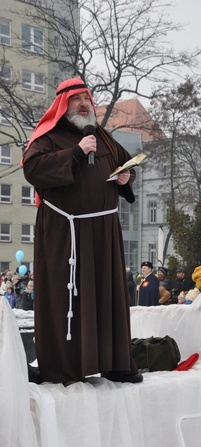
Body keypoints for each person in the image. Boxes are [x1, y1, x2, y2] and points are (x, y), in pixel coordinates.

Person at [22, 77, 142, 385]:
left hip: (103, 232)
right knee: (68, 300)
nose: (84, 103)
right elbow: (33, 169)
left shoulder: (101, 135)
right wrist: (75, 153)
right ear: (63, 105)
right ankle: (66, 367)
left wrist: (125, 179)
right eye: (77, 99)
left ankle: (114, 363)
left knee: (108, 296)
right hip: (67, 235)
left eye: (86, 98)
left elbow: (125, 165)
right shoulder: (48, 137)